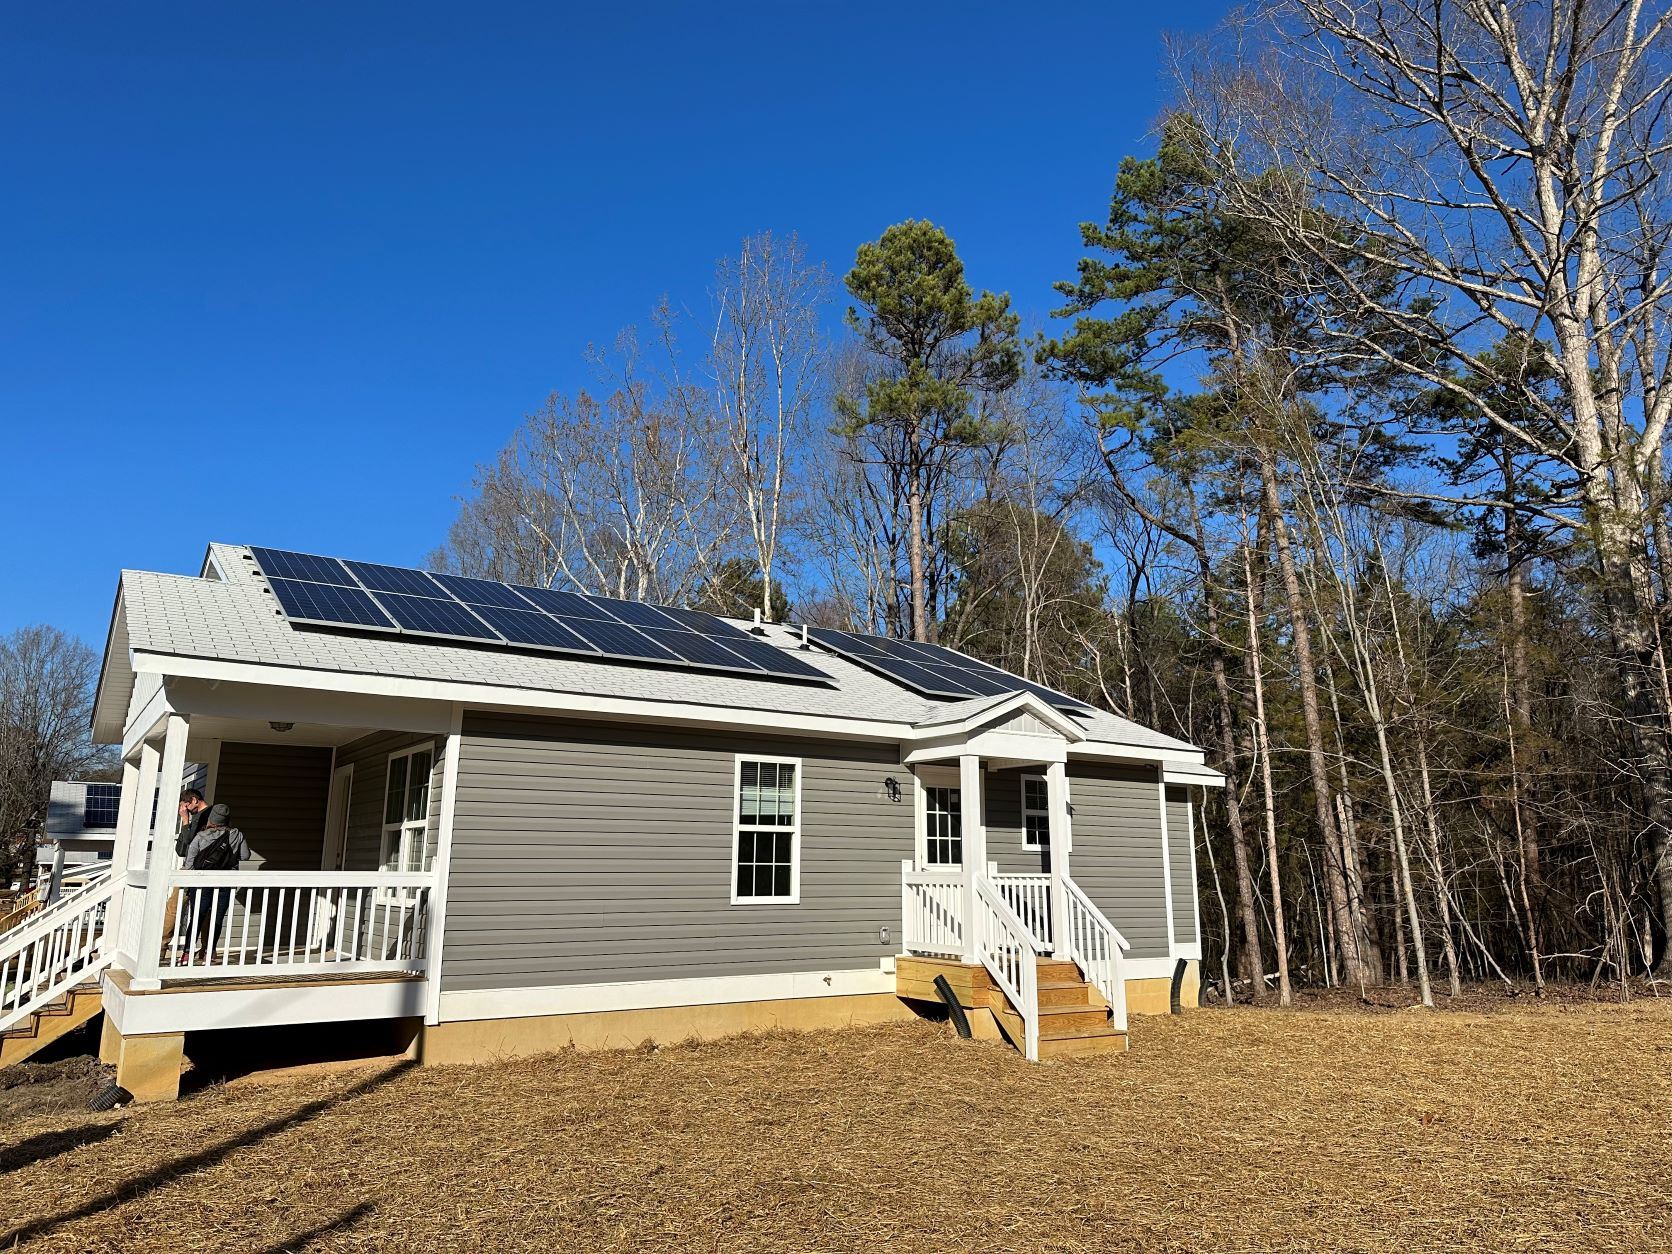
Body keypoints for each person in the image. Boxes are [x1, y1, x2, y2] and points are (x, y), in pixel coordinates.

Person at [178, 803, 251, 961]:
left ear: (211, 819)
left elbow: (189, 863)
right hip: (226, 882)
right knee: (217, 918)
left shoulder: (200, 836)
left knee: (197, 916)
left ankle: (187, 953)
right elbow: (245, 856)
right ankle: (209, 953)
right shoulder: (237, 835)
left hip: (202, 882)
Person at [175, 789, 210, 858]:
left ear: (194, 800)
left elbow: (188, 839)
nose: (185, 810)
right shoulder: (200, 815)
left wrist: (185, 819)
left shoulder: (204, 816)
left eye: (186, 806)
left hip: (200, 860)